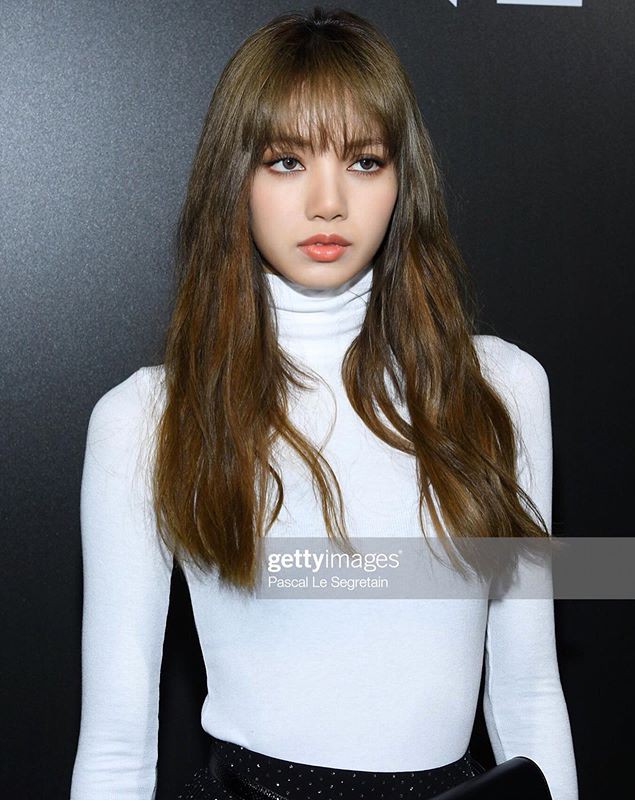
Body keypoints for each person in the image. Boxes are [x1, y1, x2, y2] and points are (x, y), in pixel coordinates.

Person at [69, 6, 579, 800]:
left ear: (403, 180)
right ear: (234, 177)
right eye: (285, 161)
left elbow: (528, 692)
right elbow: (116, 745)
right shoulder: (149, 418)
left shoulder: (502, 389)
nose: (328, 200)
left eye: (365, 160)